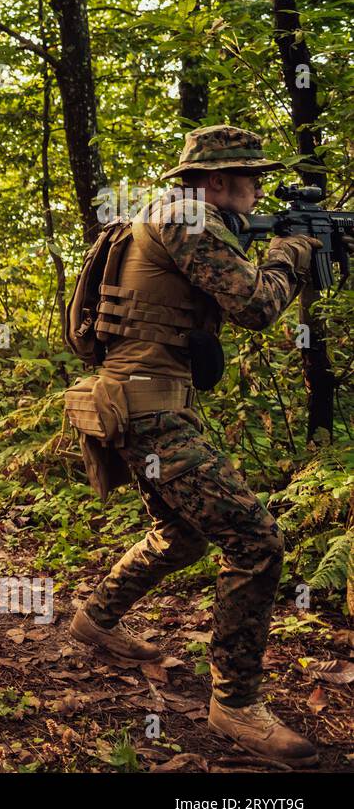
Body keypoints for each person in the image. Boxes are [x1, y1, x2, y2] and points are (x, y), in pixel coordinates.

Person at [65, 125, 325, 767]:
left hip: (144, 402)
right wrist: (293, 251)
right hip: (147, 407)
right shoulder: (188, 218)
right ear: (217, 181)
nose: (258, 190)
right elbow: (256, 306)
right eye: (250, 178)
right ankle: (236, 703)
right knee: (256, 542)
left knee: (183, 533)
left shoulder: (167, 216)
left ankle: (96, 617)